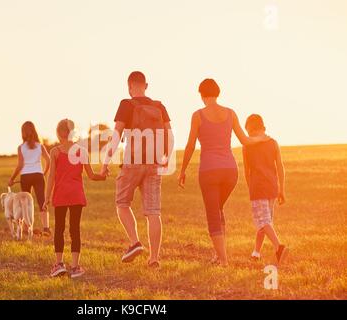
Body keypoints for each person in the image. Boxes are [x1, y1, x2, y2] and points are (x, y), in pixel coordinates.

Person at [178, 79, 268, 267]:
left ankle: (224, 261)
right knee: (218, 210)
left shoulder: (198, 115)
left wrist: (183, 170)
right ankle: (219, 256)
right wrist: (262, 138)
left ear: (202, 95)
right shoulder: (230, 113)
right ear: (217, 93)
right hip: (230, 172)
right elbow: (245, 140)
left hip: (209, 171)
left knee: (213, 214)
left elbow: (190, 146)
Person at [101, 71, 173, 268]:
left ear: (129, 86)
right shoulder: (159, 106)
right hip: (155, 163)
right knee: (153, 212)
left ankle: (134, 242)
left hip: (133, 162)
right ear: (146, 86)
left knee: (122, 203)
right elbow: (169, 134)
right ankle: (154, 259)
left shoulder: (126, 104)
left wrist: (105, 163)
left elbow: (116, 136)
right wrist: (166, 158)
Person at [44, 119, 107, 278]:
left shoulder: (55, 152)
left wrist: (46, 197)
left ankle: (59, 264)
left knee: (59, 228)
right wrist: (103, 176)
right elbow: (92, 176)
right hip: (76, 194)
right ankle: (75, 267)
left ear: (59, 133)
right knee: (75, 229)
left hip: (61, 194)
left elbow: (51, 177)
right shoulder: (82, 151)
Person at [242, 114, 288, 265]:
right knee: (266, 222)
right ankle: (256, 252)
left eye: (247, 130)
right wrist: (281, 188)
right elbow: (280, 167)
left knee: (263, 221)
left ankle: (279, 247)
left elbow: (246, 171)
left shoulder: (247, 145)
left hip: (258, 187)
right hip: (272, 186)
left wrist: (250, 188)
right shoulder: (273, 143)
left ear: (250, 128)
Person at [9, 121, 51, 236]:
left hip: (25, 176)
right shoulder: (40, 146)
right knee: (42, 201)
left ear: (23, 133)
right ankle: (46, 228)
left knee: (25, 203)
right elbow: (48, 161)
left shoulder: (21, 148)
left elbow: (20, 165)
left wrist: (12, 178)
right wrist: (44, 172)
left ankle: (28, 228)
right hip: (38, 175)